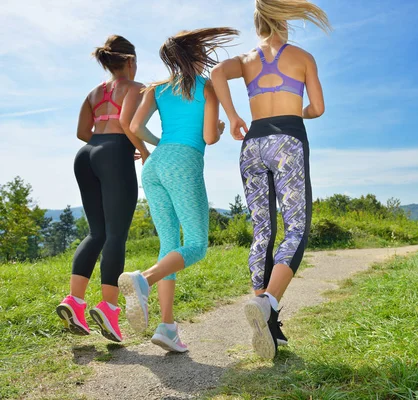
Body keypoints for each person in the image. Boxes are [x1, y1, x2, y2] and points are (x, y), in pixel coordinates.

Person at [211, 0, 330, 359]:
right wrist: (298, 111)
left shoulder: (247, 60)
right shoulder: (303, 57)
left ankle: (270, 328)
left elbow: (217, 72)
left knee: (262, 230)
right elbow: (318, 108)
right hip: (288, 140)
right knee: (296, 228)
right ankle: (268, 304)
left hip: (252, 143)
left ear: (259, 24)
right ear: (285, 22)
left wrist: (233, 116)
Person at [118, 28, 238, 352]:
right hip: (184, 162)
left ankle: (167, 327)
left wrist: (155, 147)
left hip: (155, 165)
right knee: (197, 245)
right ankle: (143, 279)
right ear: (197, 55)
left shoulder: (157, 89)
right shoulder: (206, 86)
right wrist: (221, 127)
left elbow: (133, 126)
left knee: (169, 245)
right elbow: (210, 137)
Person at [56, 35, 150, 343]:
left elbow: (83, 132)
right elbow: (129, 125)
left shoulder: (94, 92)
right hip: (113, 154)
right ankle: (109, 308)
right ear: (131, 62)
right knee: (115, 236)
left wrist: (103, 145)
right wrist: (141, 151)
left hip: (86, 155)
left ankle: (74, 302)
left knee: (96, 233)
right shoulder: (137, 88)